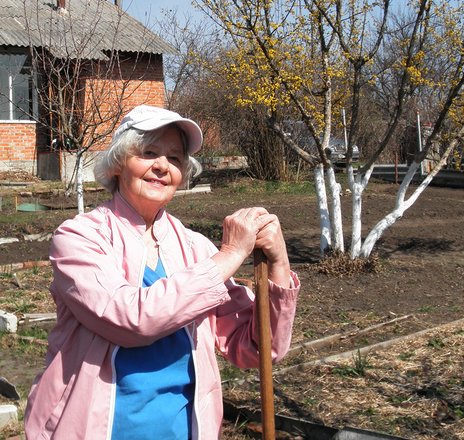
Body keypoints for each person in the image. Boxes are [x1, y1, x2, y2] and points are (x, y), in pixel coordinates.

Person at [24, 105, 300, 439]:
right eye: (149, 152)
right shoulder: (80, 236)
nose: (162, 166)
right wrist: (230, 254)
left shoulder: (195, 247)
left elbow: (258, 347)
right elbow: (130, 319)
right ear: (118, 163)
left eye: (175, 158)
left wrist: (279, 264)